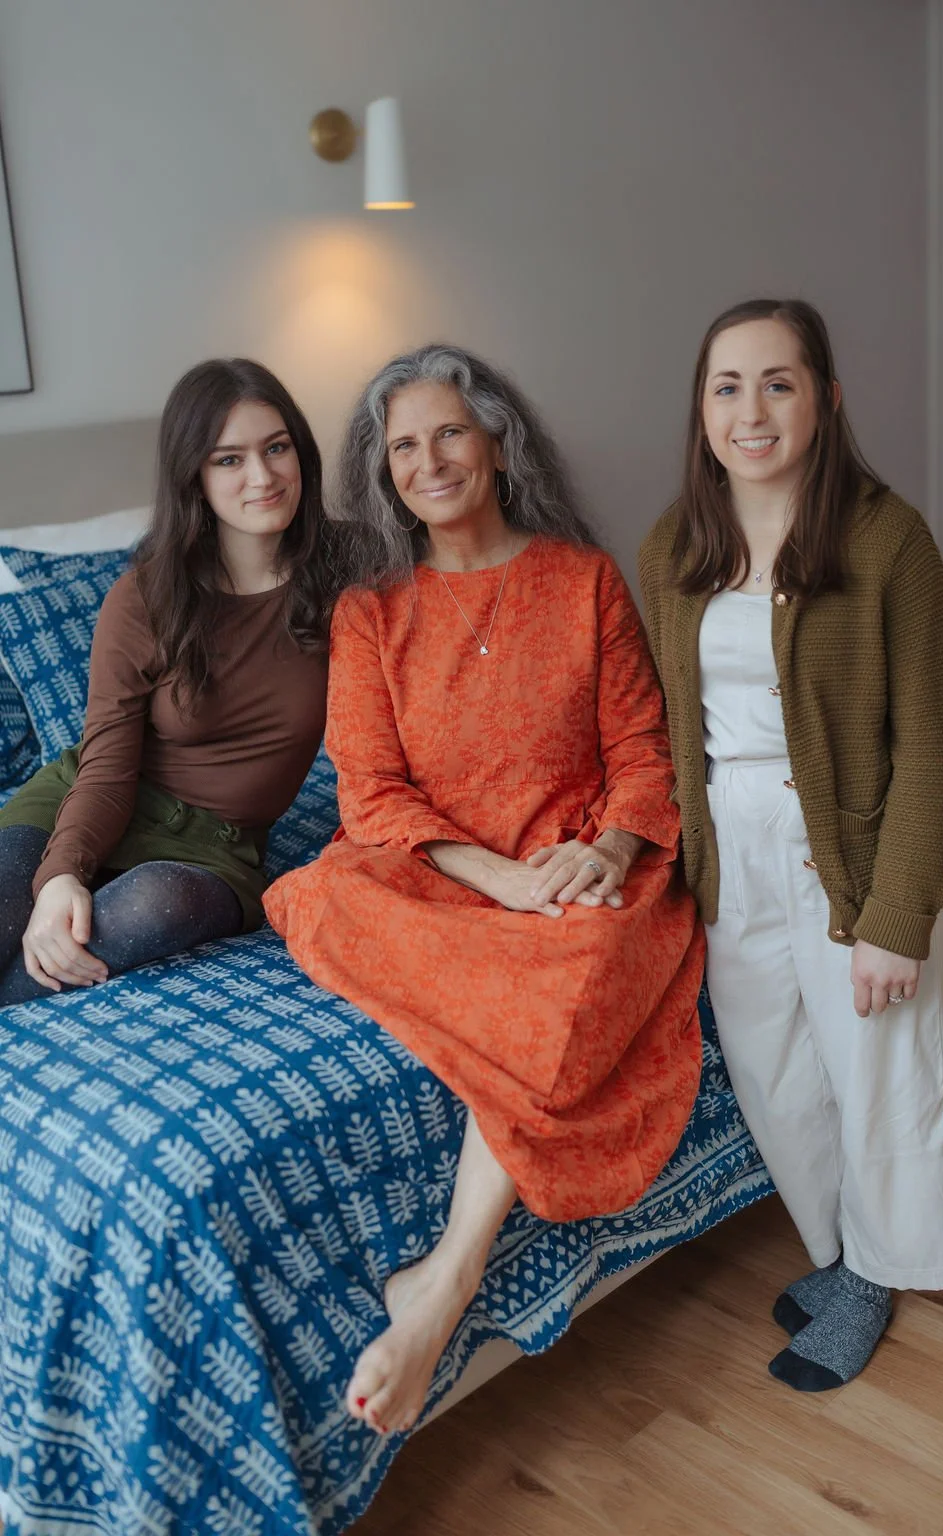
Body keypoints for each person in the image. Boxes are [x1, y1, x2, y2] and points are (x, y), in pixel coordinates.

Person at [264, 343, 706, 1437]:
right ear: (385, 474)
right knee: (326, 891)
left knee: (591, 964)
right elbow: (370, 795)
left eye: (449, 432)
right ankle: (449, 1276)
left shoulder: (585, 579)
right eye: (404, 446)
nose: (430, 460)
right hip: (439, 875)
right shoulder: (370, 613)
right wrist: (493, 878)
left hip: (567, 870)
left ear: (498, 442)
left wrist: (603, 855)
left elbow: (645, 755)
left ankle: (444, 1281)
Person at [638, 297, 943, 1392]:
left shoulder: (886, 540)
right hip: (728, 847)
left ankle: (877, 1276)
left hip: (851, 842)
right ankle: (839, 1254)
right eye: (727, 386)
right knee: (776, 1070)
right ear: (700, 408)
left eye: (778, 382)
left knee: (876, 1068)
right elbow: (664, 727)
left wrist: (896, 916)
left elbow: (931, 743)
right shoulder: (672, 546)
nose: (751, 410)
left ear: (825, 399)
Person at [0, 357, 344, 1006]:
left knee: (156, 904)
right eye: (229, 460)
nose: (263, 476)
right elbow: (104, 766)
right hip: (88, 797)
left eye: (277, 448)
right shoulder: (145, 598)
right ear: (194, 477)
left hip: (217, 848)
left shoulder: (348, 575)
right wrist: (60, 878)